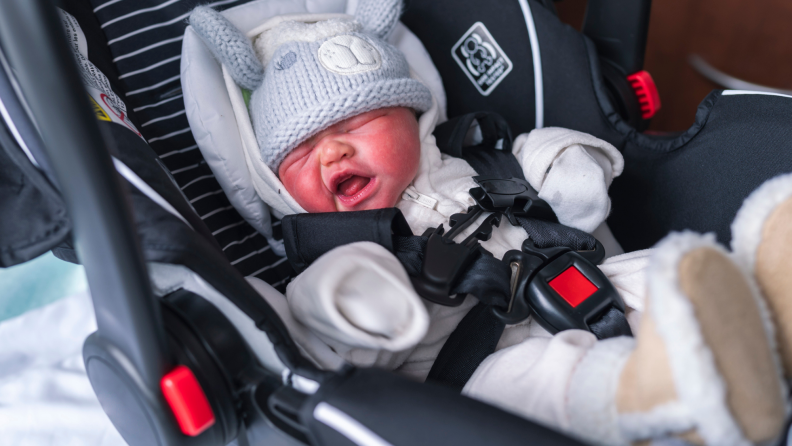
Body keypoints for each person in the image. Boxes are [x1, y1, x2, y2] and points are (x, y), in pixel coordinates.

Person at [188, 3, 791, 444]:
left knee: (670, 272)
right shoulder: (329, 257)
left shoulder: (477, 157)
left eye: (354, 124)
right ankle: (659, 396)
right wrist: (344, 303)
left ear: (411, 112)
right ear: (272, 184)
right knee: (532, 385)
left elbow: (543, 156)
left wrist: (566, 163)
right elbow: (315, 347)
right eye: (300, 153)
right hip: (479, 365)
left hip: (590, 276)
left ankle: (767, 306)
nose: (333, 153)